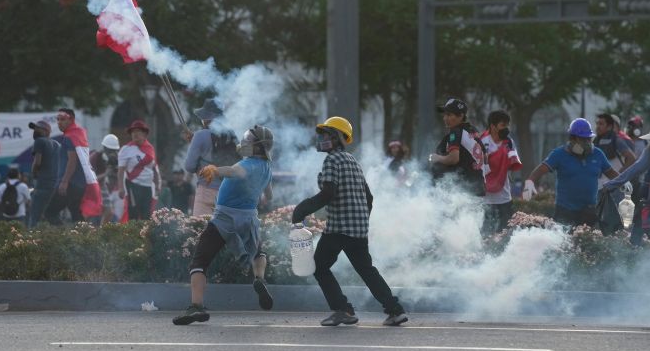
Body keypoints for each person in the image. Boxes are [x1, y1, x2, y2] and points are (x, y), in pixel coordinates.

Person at [292, 117, 408, 327]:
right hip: (357, 229)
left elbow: (328, 193)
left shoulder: (332, 160)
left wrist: (303, 209)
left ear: (337, 138)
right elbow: (369, 197)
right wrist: (361, 219)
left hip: (338, 228)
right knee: (367, 270)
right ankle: (395, 310)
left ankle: (342, 310)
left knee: (318, 267)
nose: (323, 139)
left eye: (327, 135)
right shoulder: (352, 160)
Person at [173, 125, 275, 325]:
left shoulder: (246, 166)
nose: (244, 142)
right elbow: (269, 195)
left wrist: (215, 170)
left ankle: (196, 307)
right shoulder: (266, 168)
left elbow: (233, 171)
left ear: (257, 147)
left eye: (248, 140)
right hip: (249, 218)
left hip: (225, 219)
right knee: (257, 251)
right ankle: (259, 279)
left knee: (199, 261)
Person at [523, 118, 620, 228]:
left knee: (586, 241)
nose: (586, 143)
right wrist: (530, 182)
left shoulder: (597, 154)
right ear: (573, 138)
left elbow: (610, 172)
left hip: (588, 211)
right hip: (565, 211)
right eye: (582, 139)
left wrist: (624, 181)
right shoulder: (559, 154)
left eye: (588, 139)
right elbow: (541, 169)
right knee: (563, 242)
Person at [184, 99, 238, 217]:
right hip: (228, 191)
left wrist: (194, 144)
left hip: (206, 188)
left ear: (207, 118)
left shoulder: (200, 135)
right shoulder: (232, 135)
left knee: (200, 229)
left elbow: (190, 166)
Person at [45, 109, 94, 225]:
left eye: (62, 119)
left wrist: (64, 181)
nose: (59, 122)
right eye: (57, 119)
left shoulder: (69, 137)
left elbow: (72, 160)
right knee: (76, 214)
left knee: (50, 213)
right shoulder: (79, 134)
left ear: (71, 120)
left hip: (70, 184)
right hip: (79, 184)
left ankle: (63, 240)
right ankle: (86, 240)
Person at [429, 98, 486, 196]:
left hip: (464, 191)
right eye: (445, 115)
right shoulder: (473, 131)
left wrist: (436, 157)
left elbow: (453, 159)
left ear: (461, 116)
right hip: (477, 188)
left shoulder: (455, 132)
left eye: (449, 115)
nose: (445, 118)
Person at [481, 110, 522, 235]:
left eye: (507, 125)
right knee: (486, 233)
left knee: (505, 233)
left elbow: (513, 162)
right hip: (485, 198)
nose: (506, 128)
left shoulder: (509, 142)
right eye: (503, 125)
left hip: (504, 196)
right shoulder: (482, 142)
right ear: (493, 126)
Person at [117, 120, 161, 221]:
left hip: (148, 186)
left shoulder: (150, 148)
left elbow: (154, 168)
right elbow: (121, 171)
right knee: (133, 213)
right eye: (133, 132)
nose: (135, 134)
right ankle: (133, 235)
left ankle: (143, 236)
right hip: (133, 185)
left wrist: (158, 184)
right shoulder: (126, 149)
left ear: (144, 134)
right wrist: (121, 187)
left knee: (146, 214)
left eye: (138, 131)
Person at [28, 120, 60, 227]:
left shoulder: (40, 141)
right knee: (50, 216)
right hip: (54, 186)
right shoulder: (57, 144)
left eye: (38, 128)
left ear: (47, 131)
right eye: (34, 129)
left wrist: (34, 173)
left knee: (34, 217)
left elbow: (37, 162)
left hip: (42, 184)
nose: (35, 131)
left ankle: (29, 241)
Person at [594, 114, 636, 189]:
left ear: (609, 126)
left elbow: (631, 159)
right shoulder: (595, 141)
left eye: (601, 124)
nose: (598, 126)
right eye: (597, 124)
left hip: (614, 186)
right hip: (599, 185)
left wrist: (619, 176)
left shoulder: (616, 140)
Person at [92, 134, 123, 225]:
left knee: (109, 211)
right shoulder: (95, 157)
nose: (113, 153)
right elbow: (90, 179)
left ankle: (101, 232)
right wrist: (106, 174)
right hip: (92, 187)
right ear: (104, 148)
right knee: (92, 214)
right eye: (110, 150)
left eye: (115, 151)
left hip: (103, 186)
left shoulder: (114, 160)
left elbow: (117, 178)